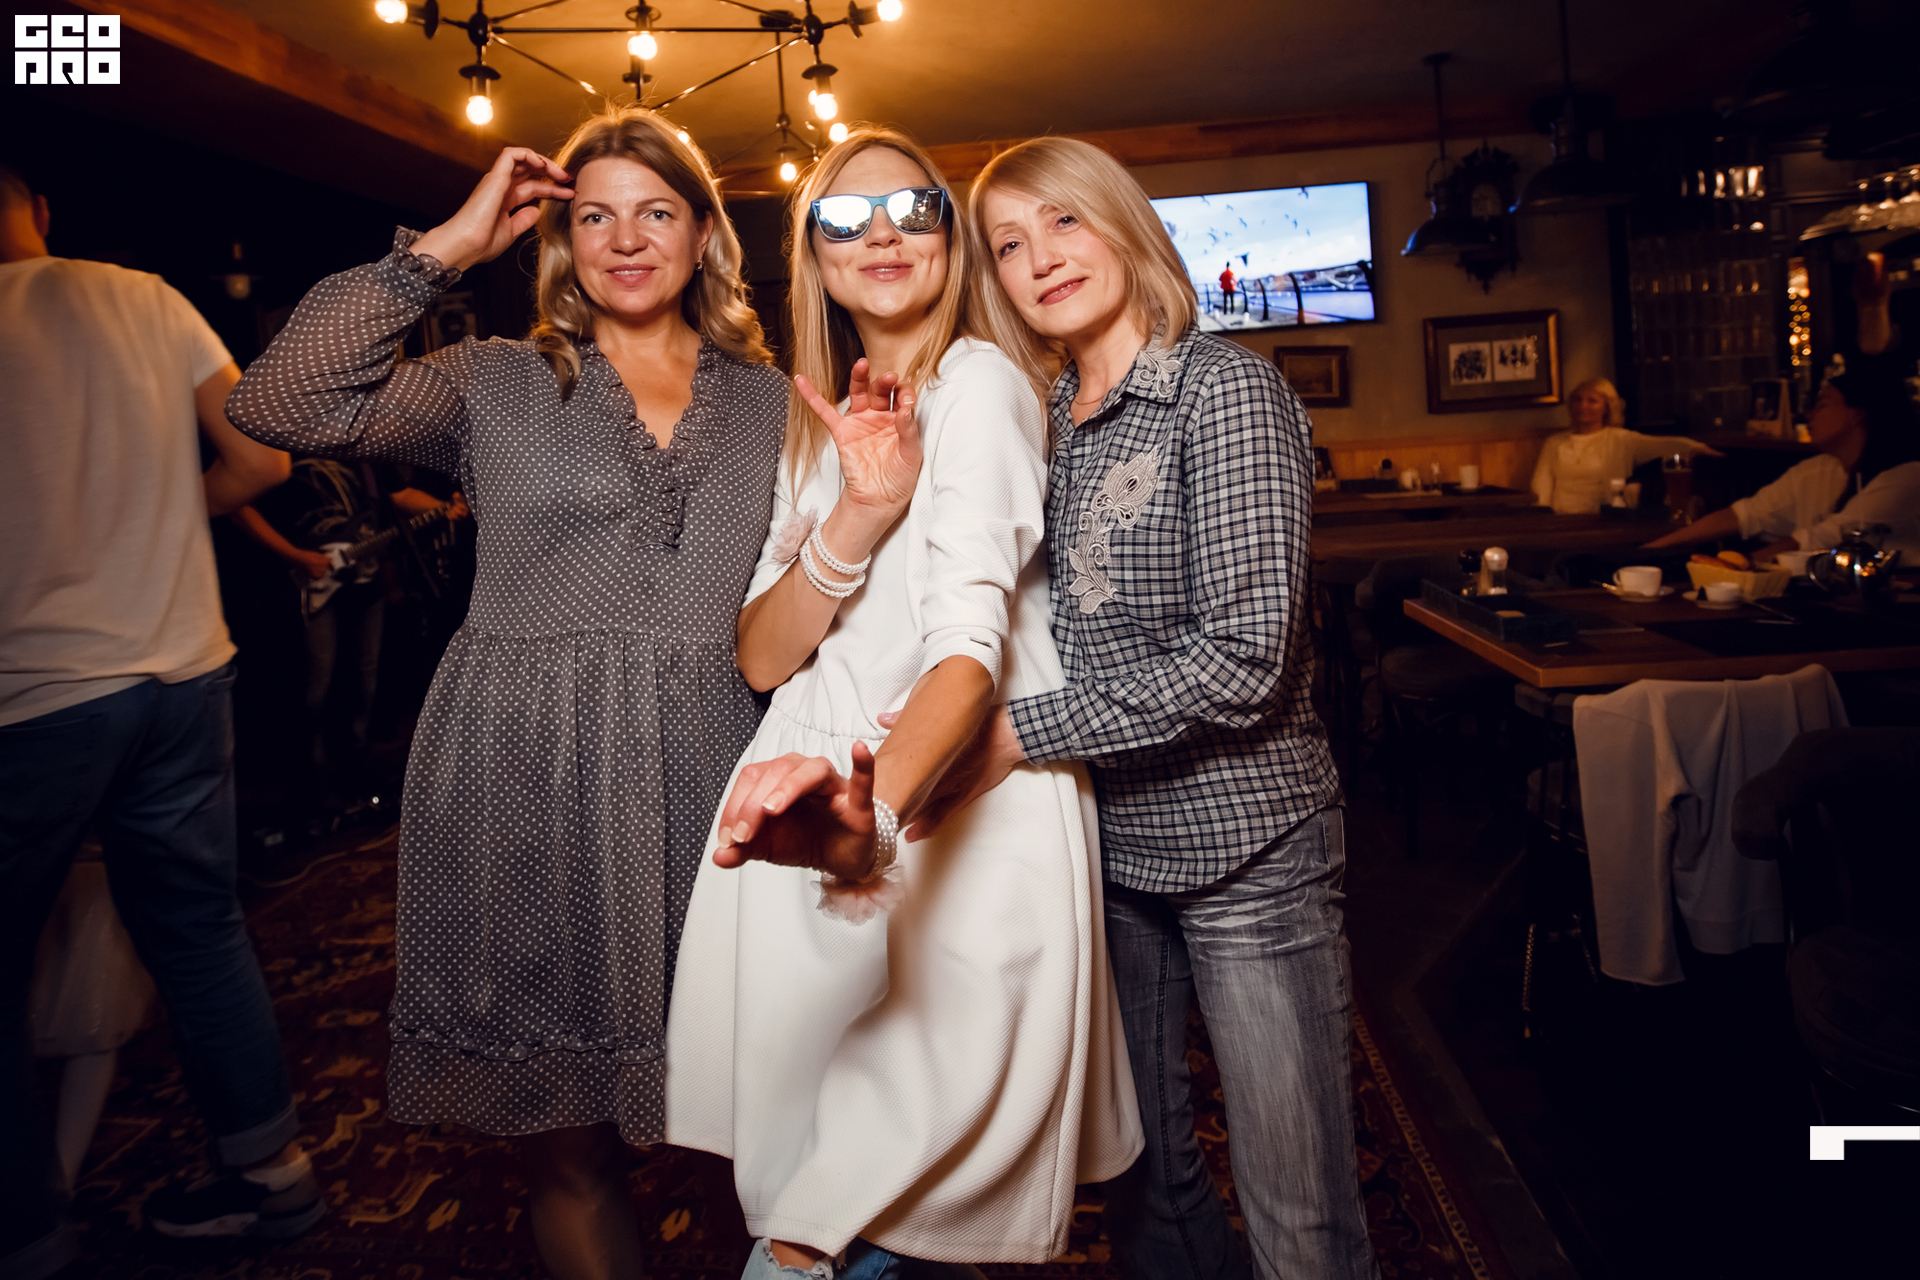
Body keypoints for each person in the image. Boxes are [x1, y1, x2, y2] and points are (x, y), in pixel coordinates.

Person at [223, 107, 785, 1280]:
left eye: (656, 212)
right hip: (524, 769)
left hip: (712, 770)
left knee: (759, 1133)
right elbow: (278, 404)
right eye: (596, 217)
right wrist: (443, 248)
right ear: (560, 240)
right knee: (566, 1138)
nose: (625, 240)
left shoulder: (775, 402)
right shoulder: (494, 380)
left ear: (704, 234)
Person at [665, 127, 1140, 1280]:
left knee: (861, 1194)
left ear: (949, 236)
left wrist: (869, 826)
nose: (880, 233)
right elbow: (762, 654)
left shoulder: (979, 382)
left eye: (912, 208)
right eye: (843, 216)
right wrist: (861, 512)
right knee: (825, 1180)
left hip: (941, 803)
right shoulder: (814, 419)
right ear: (813, 255)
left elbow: (968, 653)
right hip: (809, 787)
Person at [955, 137, 1375, 1279]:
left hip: (1250, 847)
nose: (1041, 258)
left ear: (1123, 224)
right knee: (1143, 1173)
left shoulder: (1220, 388)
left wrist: (1016, 735)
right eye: (1009, 244)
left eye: (1064, 222)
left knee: (1298, 1206)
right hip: (1108, 848)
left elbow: (1242, 660)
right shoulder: (1044, 413)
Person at [0, 161, 315, 1279]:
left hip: (32, 692)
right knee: (199, 930)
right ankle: (271, 1171)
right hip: (183, 669)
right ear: (40, 209)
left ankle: (27, 1235)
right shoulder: (144, 295)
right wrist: (177, 510)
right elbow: (263, 458)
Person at [230, 460, 469, 815]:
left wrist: (444, 508)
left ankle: (358, 775)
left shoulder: (362, 454)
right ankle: (314, 784)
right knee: (315, 688)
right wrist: (295, 556)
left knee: (364, 682)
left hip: (365, 581)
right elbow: (238, 506)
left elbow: (398, 495)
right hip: (307, 581)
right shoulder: (281, 450)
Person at [1646, 253, 1920, 560]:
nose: (1810, 415)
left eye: (1822, 405)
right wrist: (1654, 549)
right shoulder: (1817, 471)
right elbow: (1746, 514)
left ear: (1856, 414)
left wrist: (1739, 570)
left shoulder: (1906, 478)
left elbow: (1820, 540)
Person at [1529, 376, 1722, 514]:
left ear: (1606, 408)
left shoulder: (1621, 440)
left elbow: (1664, 445)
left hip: (1605, 519)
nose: (1583, 406)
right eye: (1577, 400)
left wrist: (1697, 448)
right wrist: (1542, 521)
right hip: (1560, 520)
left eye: (1592, 401)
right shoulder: (1554, 443)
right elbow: (1541, 489)